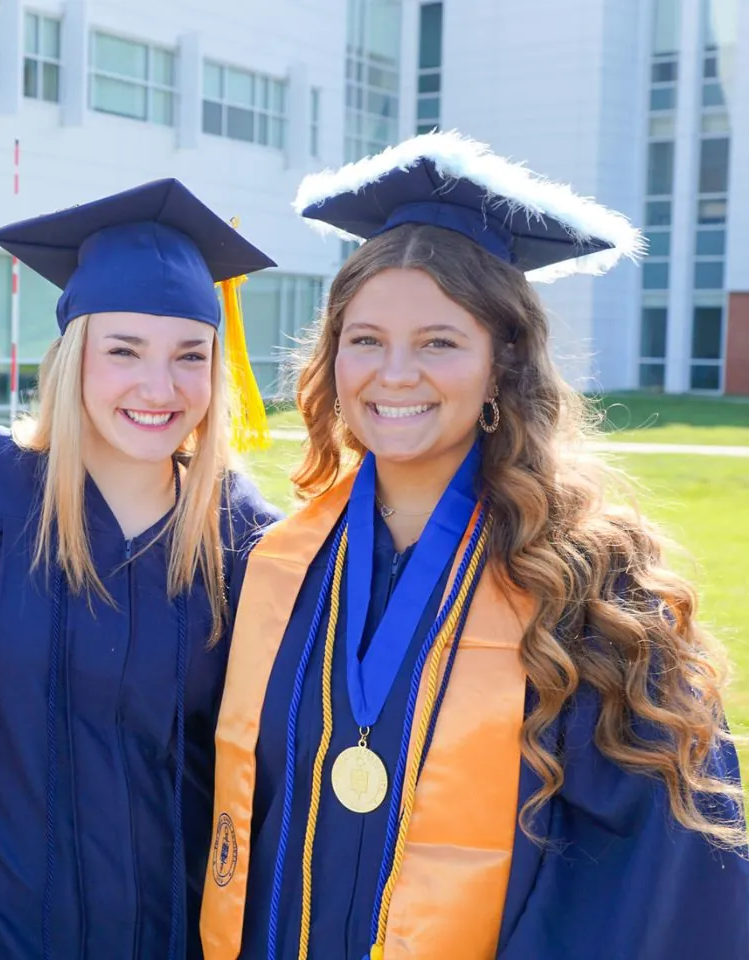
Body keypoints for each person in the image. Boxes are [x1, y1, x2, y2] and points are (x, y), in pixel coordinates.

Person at [200, 131, 749, 960]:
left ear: (503, 363)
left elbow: (652, 883)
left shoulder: (595, 592)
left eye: (439, 342)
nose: (394, 374)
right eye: (366, 339)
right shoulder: (282, 566)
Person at [0, 179, 282, 959]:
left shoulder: (245, 541)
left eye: (189, 357)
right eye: (124, 351)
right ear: (73, 357)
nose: (159, 387)